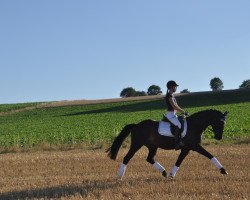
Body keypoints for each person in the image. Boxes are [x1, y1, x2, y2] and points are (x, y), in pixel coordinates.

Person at [165, 80, 186, 150]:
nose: (176, 88)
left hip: (173, 114)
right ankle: (177, 143)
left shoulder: (172, 95)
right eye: (175, 87)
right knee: (179, 125)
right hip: (170, 115)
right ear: (171, 87)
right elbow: (174, 106)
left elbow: (176, 105)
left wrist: (183, 111)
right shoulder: (169, 96)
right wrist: (183, 111)